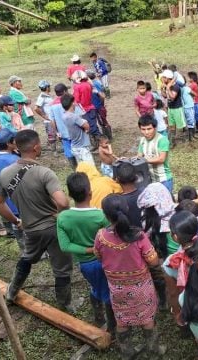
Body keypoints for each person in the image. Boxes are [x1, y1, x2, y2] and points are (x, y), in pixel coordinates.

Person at [0, 130, 73, 310]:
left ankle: (12, 292)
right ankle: (65, 305)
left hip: (29, 229)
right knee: (61, 268)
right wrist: (60, 214)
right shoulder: (44, 172)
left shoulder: (5, 173)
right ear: (36, 147)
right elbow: (62, 201)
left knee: (27, 259)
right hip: (53, 229)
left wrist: (16, 221)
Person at [94, 195, 165, 357]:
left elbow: (98, 256)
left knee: (122, 319)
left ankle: (127, 352)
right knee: (147, 319)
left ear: (105, 215)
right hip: (141, 287)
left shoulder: (101, 236)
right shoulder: (139, 236)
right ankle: (154, 350)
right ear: (127, 211)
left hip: (117, 288)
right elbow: (153, 262)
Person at [58, 173, 115, 333]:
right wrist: (93, 249)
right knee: (108, 293)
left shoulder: (63, 217)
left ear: (69, 194)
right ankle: (112, 328)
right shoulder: (100, 216)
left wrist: (85, 250)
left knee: (95, 287)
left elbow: (65, 245)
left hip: (85, 264)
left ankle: (98, 317)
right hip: (104, 262)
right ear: (90, 193)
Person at [0, 129, 24, 251]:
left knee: (17, 224)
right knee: (26, 225)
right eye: (14, 140)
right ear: (9, 144)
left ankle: (24, 249)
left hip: (5, 198)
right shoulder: (13, 160)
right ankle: (35, 251)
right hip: (18, 198)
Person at [137, 114, 174, 193]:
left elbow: (161, 159)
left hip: (164, 180)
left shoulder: (162, 140)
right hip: (150, 180)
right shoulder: (142, 140)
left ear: (155, 128)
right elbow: (139, 157)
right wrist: (128, 160)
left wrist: (144, 160)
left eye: (149, 129)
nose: (146, 132)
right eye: (143, 129)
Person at [48, 83, 77, 169]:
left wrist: (57, 132)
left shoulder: (52, 105)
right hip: (74, 131)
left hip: (63, 133)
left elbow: (52, 121)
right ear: (64, 91)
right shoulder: (70, 102)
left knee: (68, 151)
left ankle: (74, 168)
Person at [61, 93, 94, 166]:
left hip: (74, 146)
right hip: (82, 147)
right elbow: (87, 126)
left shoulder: (64, 116)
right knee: (91, 169)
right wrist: (85, 123)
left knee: (82, 168)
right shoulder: (74, 117)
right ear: (72, 103)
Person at [72, 70, 100, 148]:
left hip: (83, 110)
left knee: (86, 128)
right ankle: (100, 143)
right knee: (94, 127)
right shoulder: (89, 84)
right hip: (91, 107)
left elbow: (76, 101)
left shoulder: (77, 87)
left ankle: (93, 145)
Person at [160, 69, 185, 147]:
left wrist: (167, 88)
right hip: (170, 108)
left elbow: (173, 97)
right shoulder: (168, 85)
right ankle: (172, 142)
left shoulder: (175, 86)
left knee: (180, 126)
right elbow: (165, 96)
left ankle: (185, 138)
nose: (162, 79)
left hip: (177, 108)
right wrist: (162, 89)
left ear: (167, 78)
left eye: (164, 78)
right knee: (171, 126)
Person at [34, 80, 57, 153]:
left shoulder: (46, 95)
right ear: (47, 87)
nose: (50, 87)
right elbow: (36, 108)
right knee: (52, 135)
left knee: (54, 134)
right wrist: (44, 116)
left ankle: (51, 147)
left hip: (52, 118)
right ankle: (54, 151)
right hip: (49, 120)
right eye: (49, 86)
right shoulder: (42, 96)